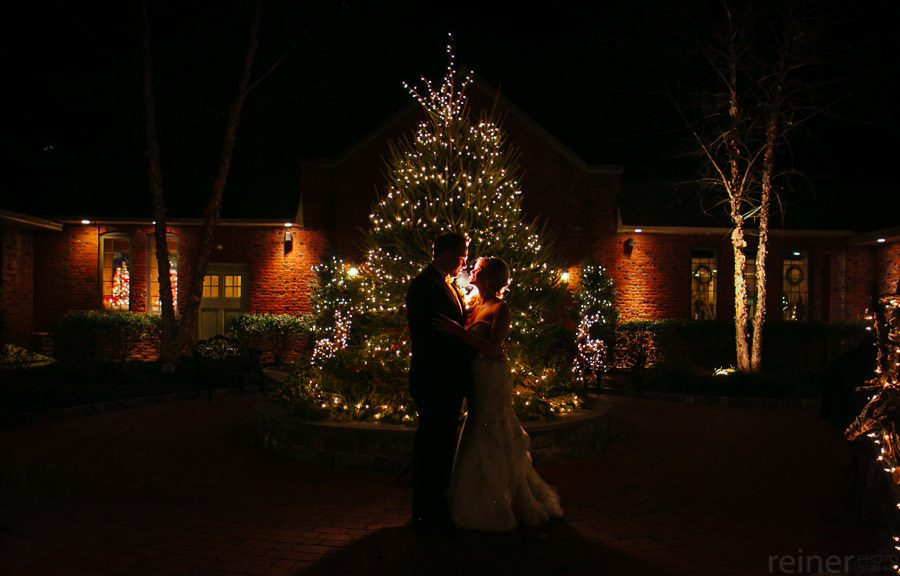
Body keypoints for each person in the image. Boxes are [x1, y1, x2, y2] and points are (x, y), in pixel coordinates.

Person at [434, 256, 563, 531]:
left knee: (492, 427)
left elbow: (493, 349)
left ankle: (501, 501)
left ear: (491, 277)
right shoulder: (473, 304)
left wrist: (457, 331)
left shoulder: (500, 309)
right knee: (475, 425)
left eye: (478, 270)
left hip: (491, 376)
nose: (472, 272)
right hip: (474, 377)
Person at [406, 232, 476, 532]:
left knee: (441, 444)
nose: (463, 262)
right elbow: (433, 337)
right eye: (461, 255)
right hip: (436, 379)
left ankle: (433, 505)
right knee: (432, 446)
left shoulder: (444, 284)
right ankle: (426, 511)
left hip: (445, 380)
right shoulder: (425, 286)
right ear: (445, 253)